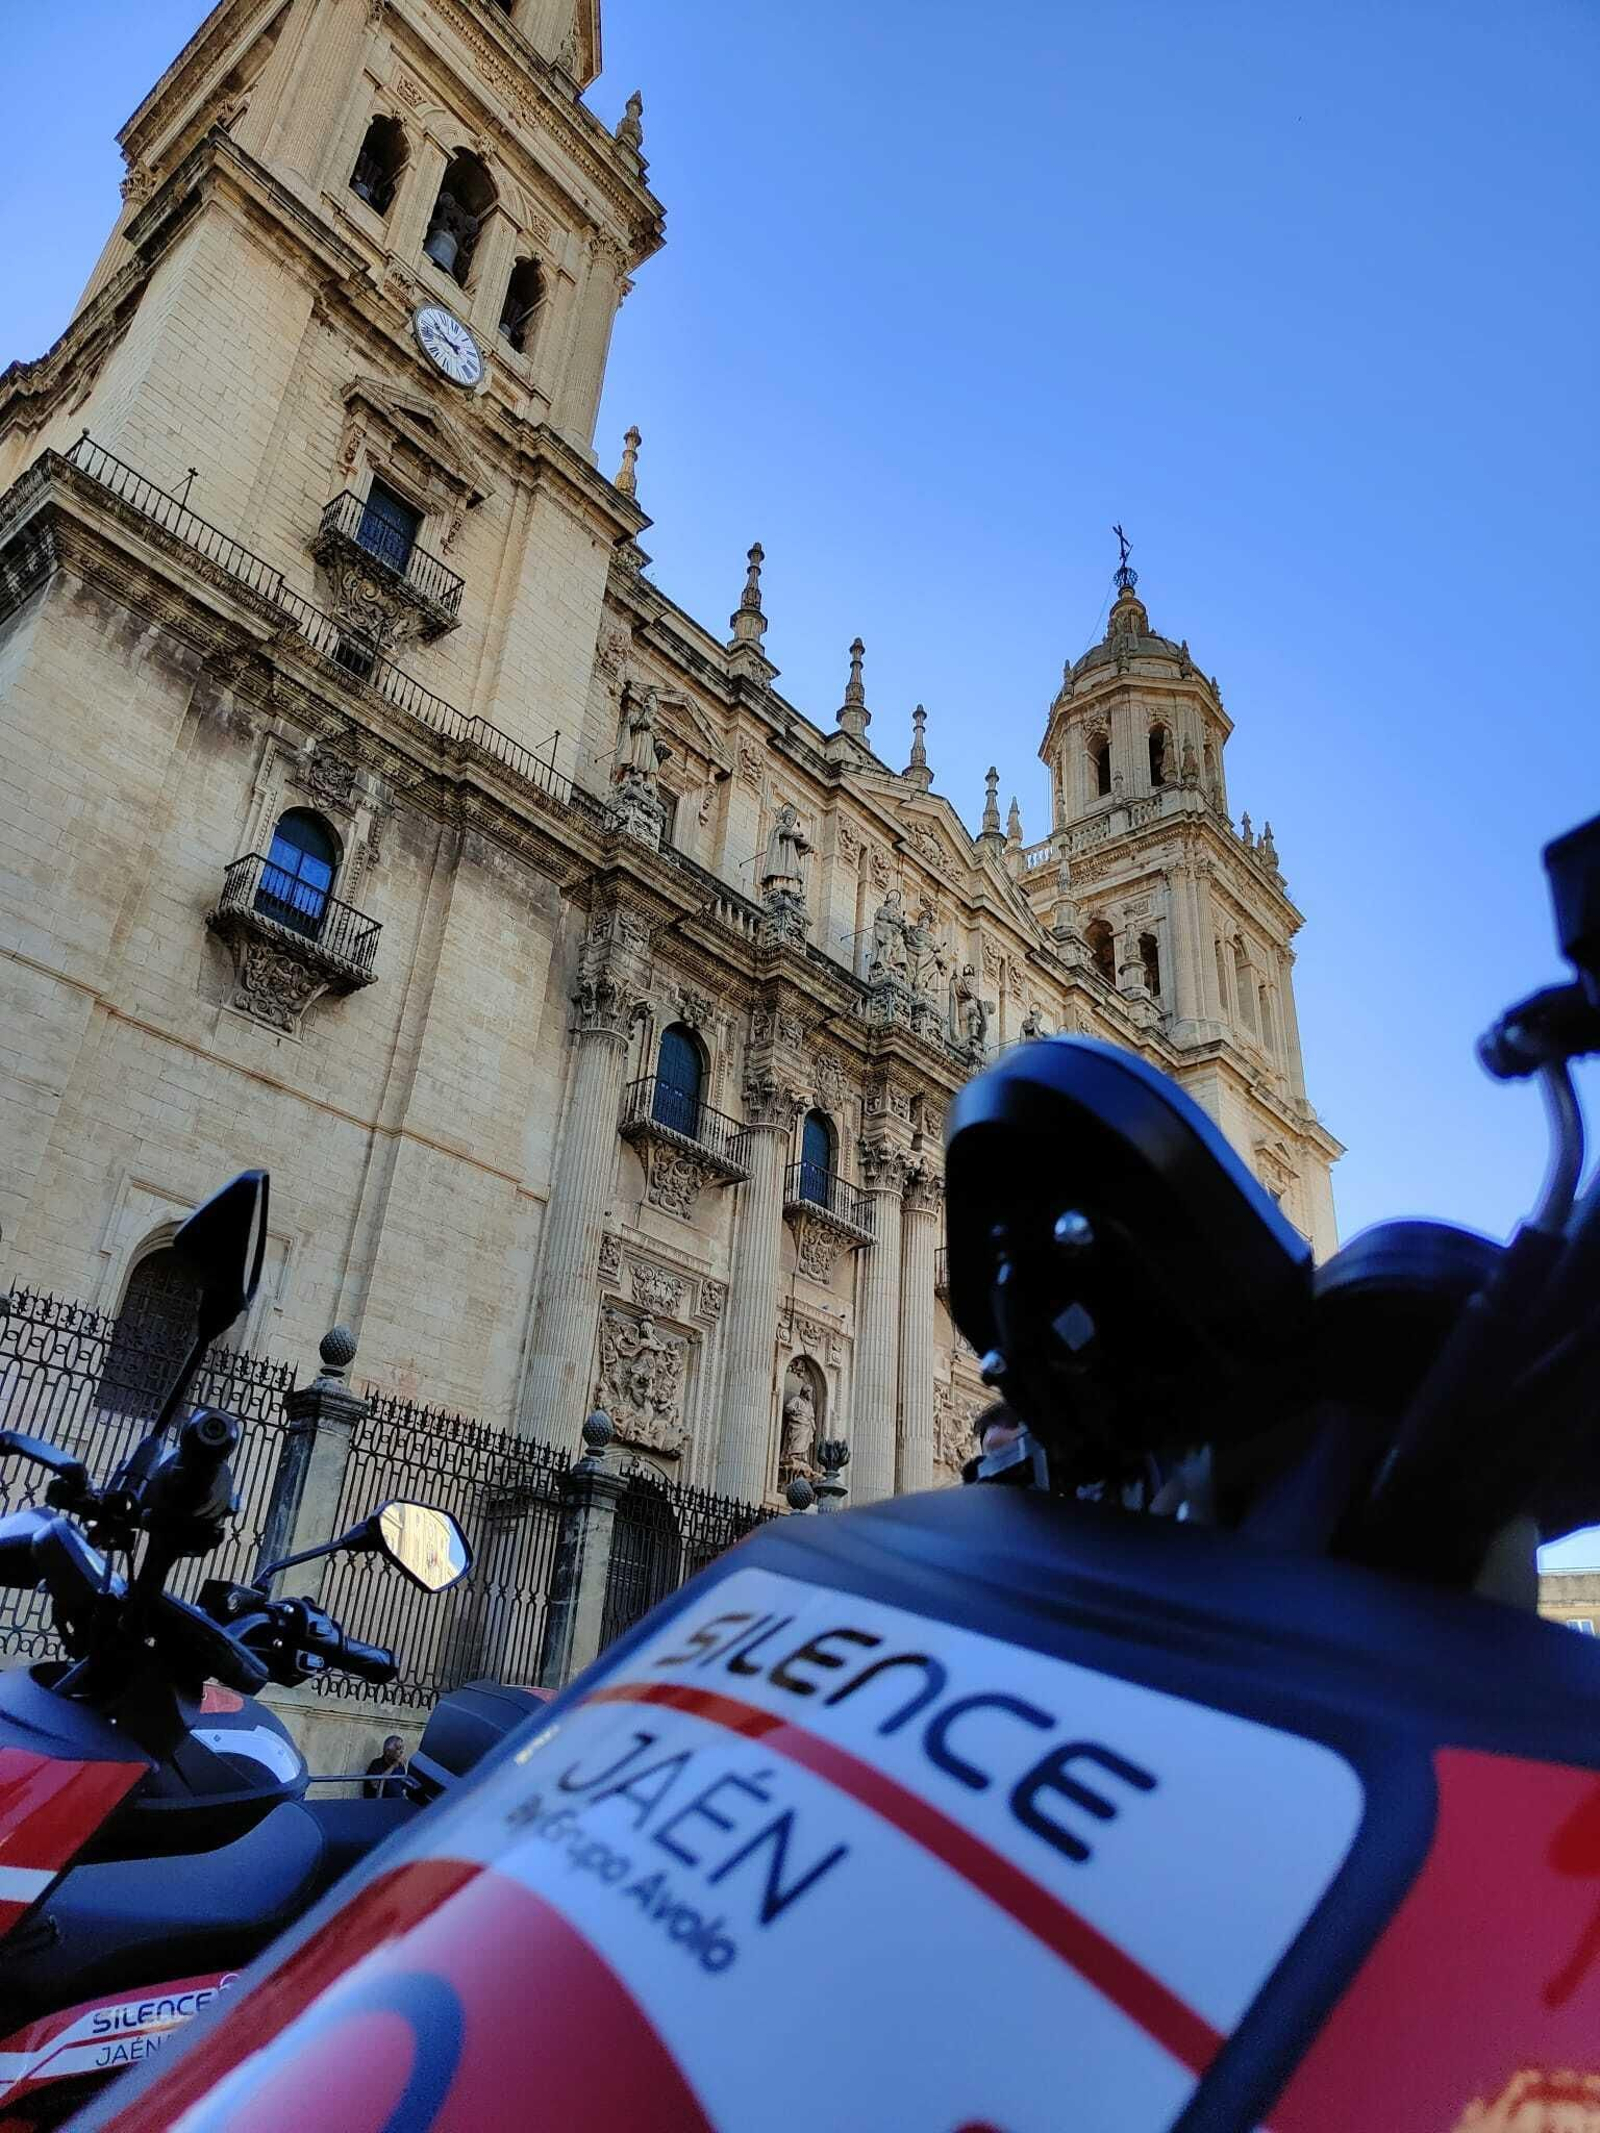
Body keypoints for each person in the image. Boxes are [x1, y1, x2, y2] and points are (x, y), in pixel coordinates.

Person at [363, 1734, 408, 1799]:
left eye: (402, 1748)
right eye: (398, 1748)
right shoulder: (376, 1764)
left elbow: (403, 1788)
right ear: (388, 1751)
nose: (401, 1751)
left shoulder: (400, 1766)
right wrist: (393, 1766)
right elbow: (375, 1784)